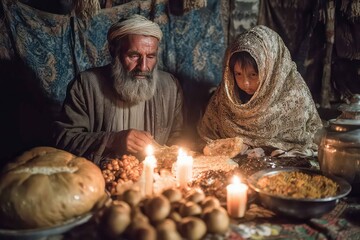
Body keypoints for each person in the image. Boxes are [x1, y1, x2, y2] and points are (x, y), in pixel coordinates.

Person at [52, 14, 184, 164]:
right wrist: (114, 140)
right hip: (99, 179)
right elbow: (64, 138)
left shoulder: (170, 87)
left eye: (151, 56)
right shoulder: (86, 84)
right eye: (134, 56)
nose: (143, 66)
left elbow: (177, 139)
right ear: (113, 51)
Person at [197, 25, 323, 157]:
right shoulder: (225, 97)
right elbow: (207, 136)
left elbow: (305, 141)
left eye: (253, 75)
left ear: (270, 71)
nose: (245, 83)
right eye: (238, 74)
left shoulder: (294, 97)